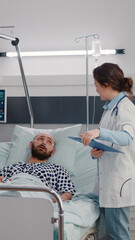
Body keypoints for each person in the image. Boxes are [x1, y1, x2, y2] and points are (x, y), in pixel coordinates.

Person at [81, 63, 135, 240]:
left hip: (117, 182)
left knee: (119, 234)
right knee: (110, 234)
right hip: (107, 182)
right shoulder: (109, 109)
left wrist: (99, 132)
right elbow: (110, 142)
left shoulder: (125, 107)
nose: (95, 90)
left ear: (107, 85)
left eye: (96, 85)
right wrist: (95, 151)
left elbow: (127, 137)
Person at [0, 132, 76, 202]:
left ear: (52, 152)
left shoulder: (57, 169)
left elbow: (67, 192)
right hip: (9, 197)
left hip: (38, 199)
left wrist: (55, 202)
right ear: (31, 144)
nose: (43, 143)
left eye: (49, 142)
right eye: (40, 139)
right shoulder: (11, 167)